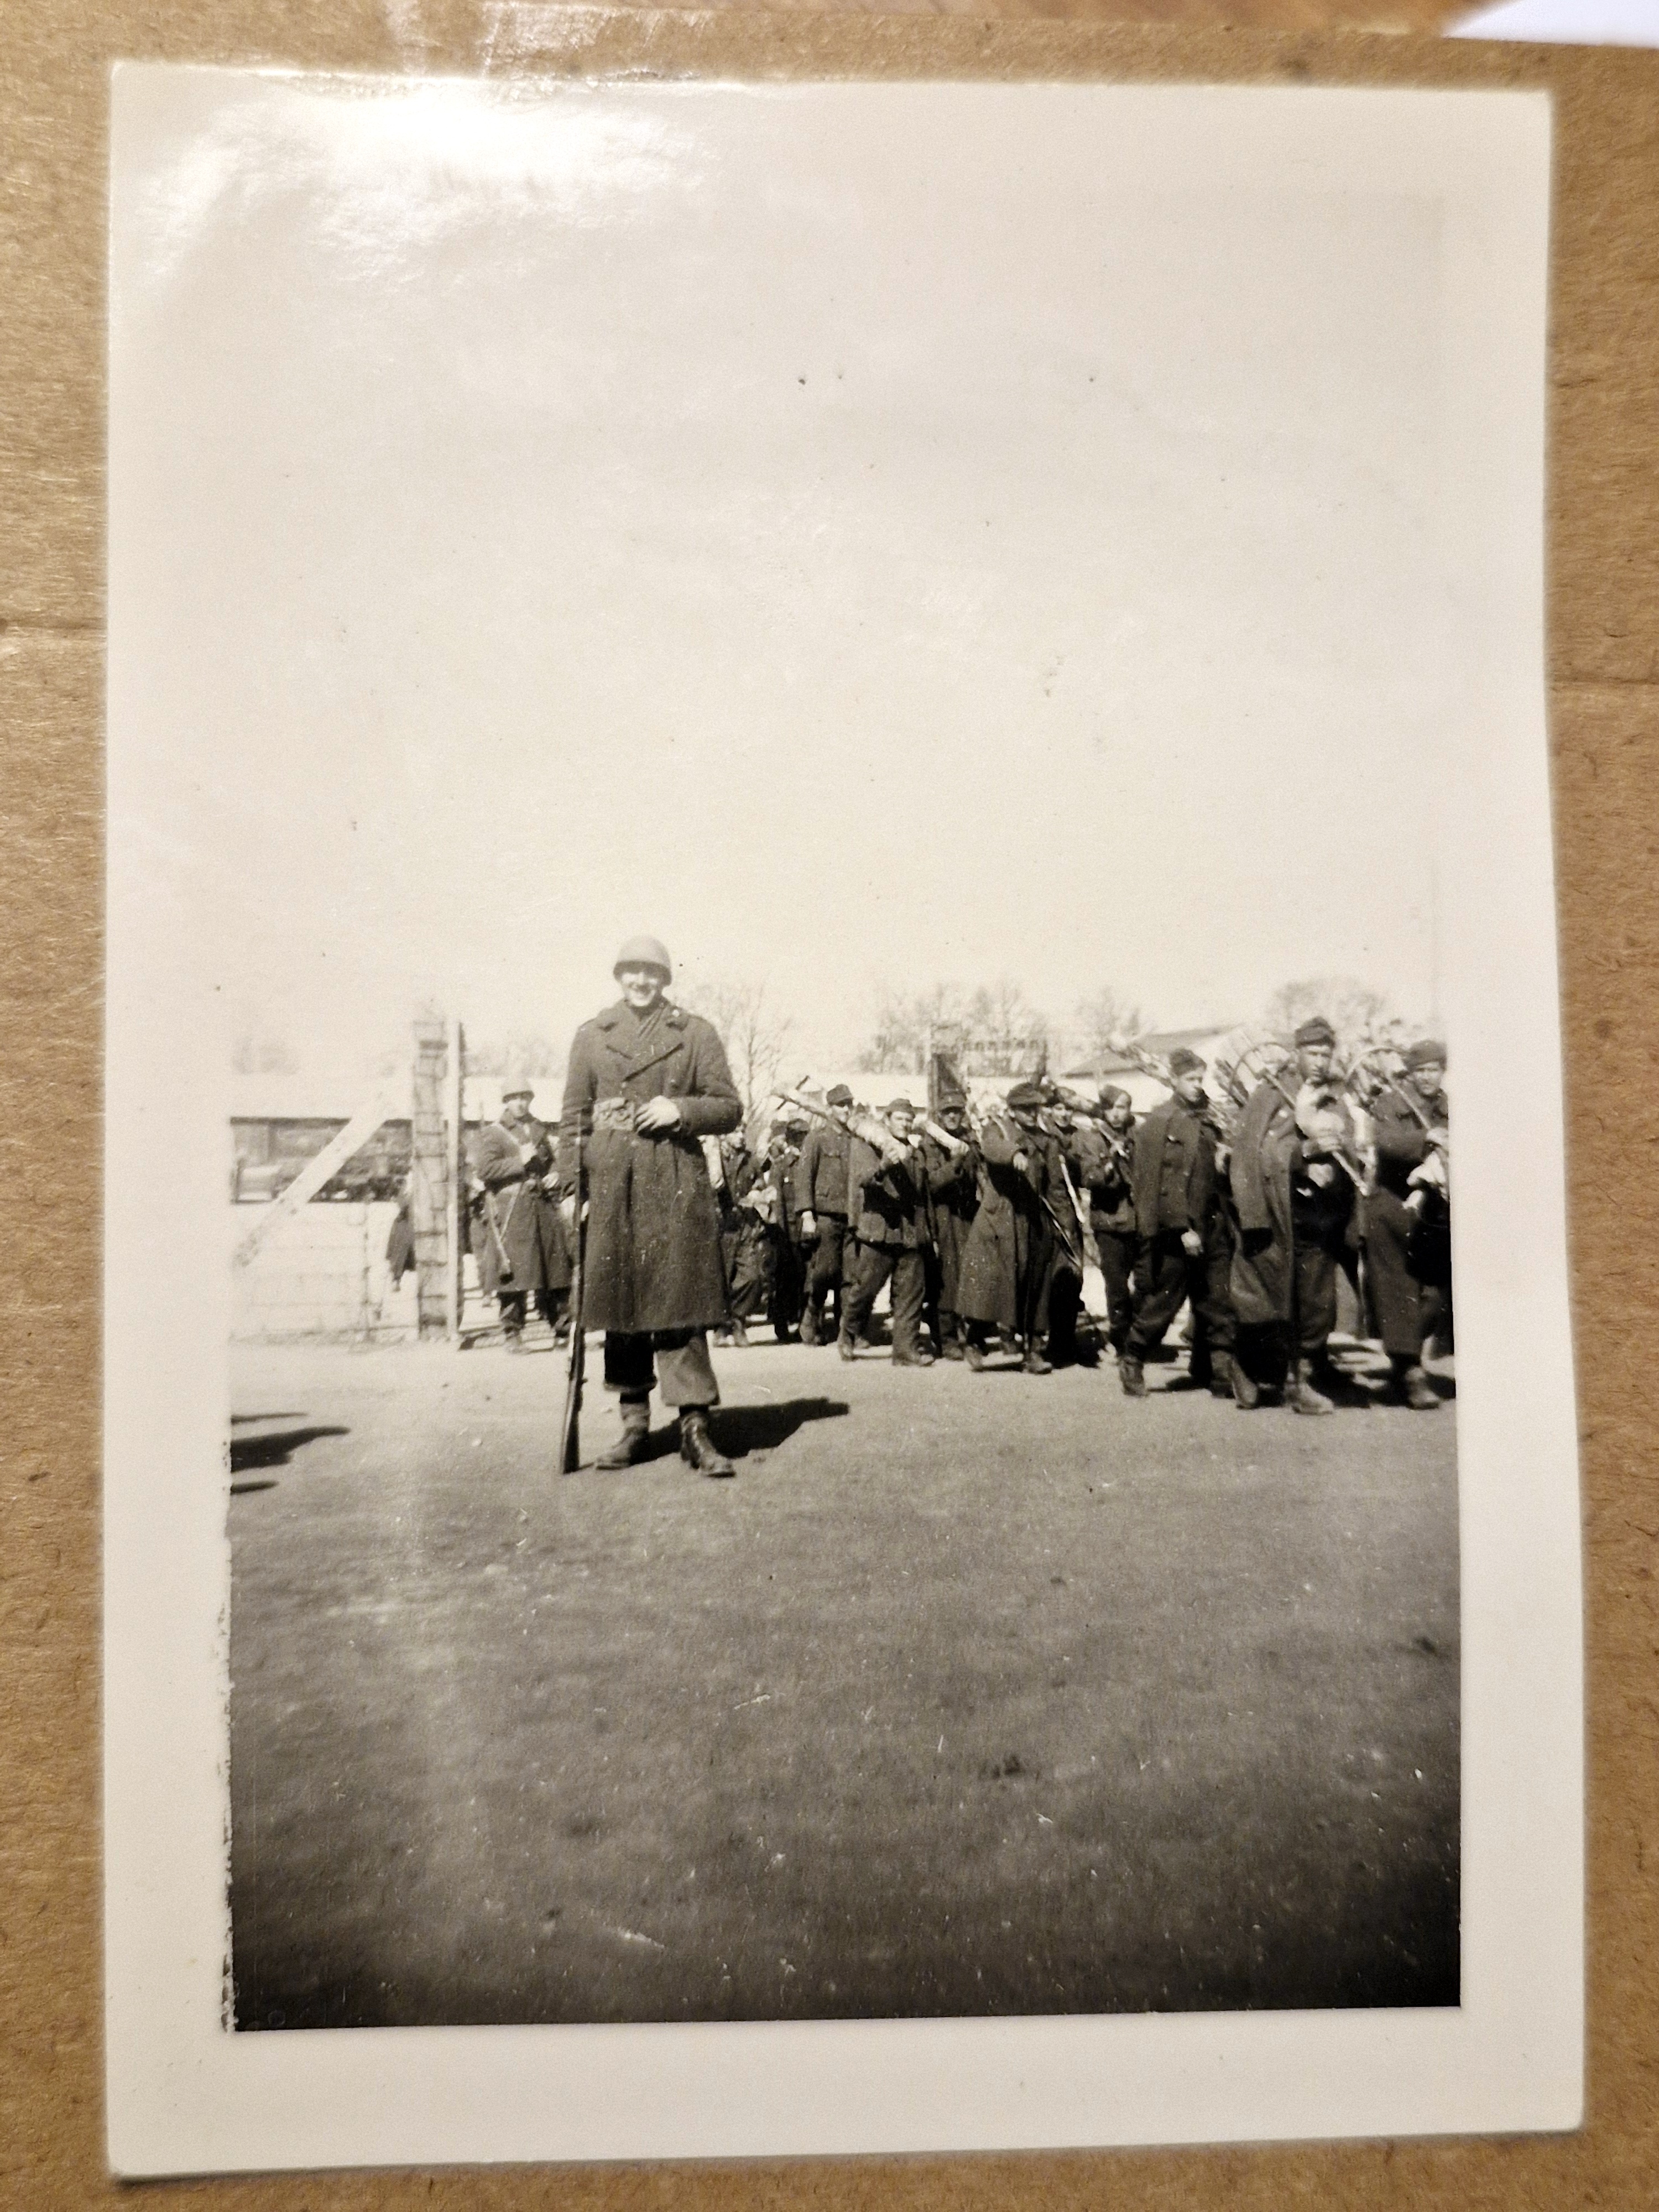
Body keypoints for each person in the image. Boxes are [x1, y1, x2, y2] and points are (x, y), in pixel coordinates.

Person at [556, 935, 743, 1475]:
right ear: (619, 976)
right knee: (622, 1309)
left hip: (674, 1183)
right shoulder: (592, 1035)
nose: (641, 981)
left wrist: (679, 1109)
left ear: (665, 979)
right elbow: (573, 1119)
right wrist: (571, 1189)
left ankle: (695, 1428)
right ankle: (634, 1427)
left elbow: (729, 1107)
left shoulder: (695, 1032)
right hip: (612, 1186)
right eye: (631, 972)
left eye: (651, 973)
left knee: (681, 1308)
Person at [1228, 1016, 1360, 1413]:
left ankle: (1299, 1381)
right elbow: (1250, 1154)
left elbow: (1348, 1149)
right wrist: (1303, 1156)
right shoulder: (1270, 1094)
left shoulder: (1333, 1099)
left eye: (1325, 1055)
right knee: (1268, 1305)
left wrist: (1335, 1169)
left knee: (1315, 1303)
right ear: (1296, 1053)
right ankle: (1245, 1364)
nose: (1319, 1062)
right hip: (1274, 1217)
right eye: (1312, 1053)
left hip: (1317, 1219)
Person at [1117, 1049, 1235, 1399]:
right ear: (1174, 1080)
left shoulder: (1208, 1119)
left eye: (1201, 1079)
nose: (1198, 1086)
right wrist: (1182, 1229)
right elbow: (1157, 1184)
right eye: (1190, 1079)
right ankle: (1133, 1358)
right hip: (1179, 1231)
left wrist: (1223, 1161)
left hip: (1214, 1225)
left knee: (1217, 1300)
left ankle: (1220, 1372)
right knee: (1164, 1303)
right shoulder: (1161, 1122)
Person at [1363, 1039, 1452, 1408]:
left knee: (1436, 1292)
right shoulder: (1391, 1102)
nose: (1428, 1077)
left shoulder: (1449, 1106)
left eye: (1435, 1070)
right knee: (1398, 1290)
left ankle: (1404, 1364)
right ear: (1410, 1074)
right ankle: (1409, 1370)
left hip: (1433, 1211)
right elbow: (1386, 1143)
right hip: (1392, 1208)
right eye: (1421, 1071)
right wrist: (1425, 1137)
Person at [957, 1079, 1067, 1374]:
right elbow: (991, 1147)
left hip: (1033, 1221)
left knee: (1035, 1286)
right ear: (1012, 1110)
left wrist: (1065, 1224)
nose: (1032, 1113)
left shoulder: (1047, 1140)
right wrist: (1014, 1154)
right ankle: (975, 1340)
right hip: (999, 1220)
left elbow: (1056, 1186)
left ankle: (1033, 1351)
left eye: (1035, 1108)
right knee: (990, 1284)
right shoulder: (997, 1129)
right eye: (1025, 1108)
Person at [470, 1082, 571, 1349]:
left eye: (525, 1097)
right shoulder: (493, 1133)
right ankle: (512, 1334)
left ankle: (562, 1330)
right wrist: (519, 1162)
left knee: (555, 1270)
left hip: (542, 1205)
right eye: (515, 1098)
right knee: (513, 1275)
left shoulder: (538, 1128)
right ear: (506, 1101)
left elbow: (552, 1160)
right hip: (513, 1210)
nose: (521, 1103)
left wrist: (555, 1173)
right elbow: (485, 1170)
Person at [837, 1097, 935, 1366]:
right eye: (899, 1119)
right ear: (887, 1120)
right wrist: (883, 1166)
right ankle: (848, 1334)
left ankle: (905, 1351)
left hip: (911, 1231)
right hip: (880, 1230)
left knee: (910, 1294)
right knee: (866, 1289)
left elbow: (924, 1193)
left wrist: (929, 1232)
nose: (904, 1124)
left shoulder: (915, 1152)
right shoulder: (868, 1144)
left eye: (909, 1120)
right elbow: (863, 1179)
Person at [1071, 1088, 1139, 1355]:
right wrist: (1111, 1160)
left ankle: (1137, 1334)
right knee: (1117, 1284)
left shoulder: (1138, 1134)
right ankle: (1122, 1339)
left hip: (1139, 1219)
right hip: (1109, 1221)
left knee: (1147, 1282)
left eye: (1122, 1107)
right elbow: (1089, 1178)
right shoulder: (1092, 1139)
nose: (1116, 1114)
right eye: (1111, 1108)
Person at [792, 1084, 855, 1345]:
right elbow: (804, 1177)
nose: (847, 1110)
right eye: (841, 1105)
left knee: (850, 1274)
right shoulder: (816, 1138)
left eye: (849, 1104)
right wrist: (807, 1214)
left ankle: (846, 1330)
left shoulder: (855, 1139)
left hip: (851, 1216)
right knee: (825, 1271)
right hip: (826, 1215)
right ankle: (812, 1313)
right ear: (829, 1109)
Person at [919, 1102, 979, 1360]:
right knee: (948, 1277)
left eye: (957, 1112)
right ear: (939, 1116)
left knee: (971, 1273)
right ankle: (947, 1337)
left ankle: (970, 1334)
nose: (953, 1116)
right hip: (943, 1215)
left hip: (967, 1213)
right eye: (947, 1112)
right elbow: (931, 1183)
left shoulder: (970, 1139)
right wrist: (956, 1161)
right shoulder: (930, 1144)